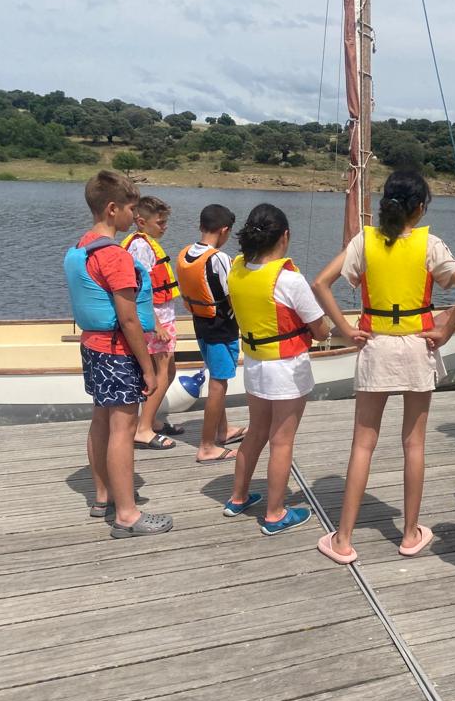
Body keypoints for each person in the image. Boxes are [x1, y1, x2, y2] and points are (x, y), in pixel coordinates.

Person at [312, 170, 455, 564]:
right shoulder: (430, 244)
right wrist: (446, 331)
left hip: (376, 346)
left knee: (362, 444)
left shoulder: (364, 241)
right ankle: (409, 533)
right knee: (413, 444)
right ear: (418, 208)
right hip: (419, 346)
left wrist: (345, 328)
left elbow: (320, 283)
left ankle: (343, 539)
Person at [63, 170, 173, 538]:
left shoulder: (82, 246)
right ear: (112, 209)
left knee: (101, 420)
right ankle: (127, 514)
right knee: (123, 429)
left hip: (93, 348)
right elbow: (128, 319)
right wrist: (148, 369)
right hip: (116, 352)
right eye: (130, 208)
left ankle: (102, 496)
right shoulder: (115, 256)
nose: (133, 215)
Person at [222, 203, 330, 535]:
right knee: (282, 442)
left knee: (256, 431)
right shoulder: (290, 280)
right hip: (286, 368)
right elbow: (321, 330)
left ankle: (237, 497)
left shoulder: (236, 270)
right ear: (285, 236)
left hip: (255, 364)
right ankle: (275, 513)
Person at [176, 204, 246, 463]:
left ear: (201, 225)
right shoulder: (219, 259)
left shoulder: (185, 253)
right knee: (218, 383)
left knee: (217, 377)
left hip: (201, 323)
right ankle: (207, 446)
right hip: (221, 327)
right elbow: (233, 293)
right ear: (225, 230)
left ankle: (222, 430)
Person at [120, 196, 181, 450]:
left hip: (161, 316)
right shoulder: (141, 247)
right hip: (155, 319)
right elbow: (139, 288)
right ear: (141, 222)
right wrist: (155, 323)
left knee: (169, 370)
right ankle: (142, 429)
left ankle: (151, 419)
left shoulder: (145, 244)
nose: (164, 227)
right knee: (162, 372)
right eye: (160, 222)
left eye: (165, 222)